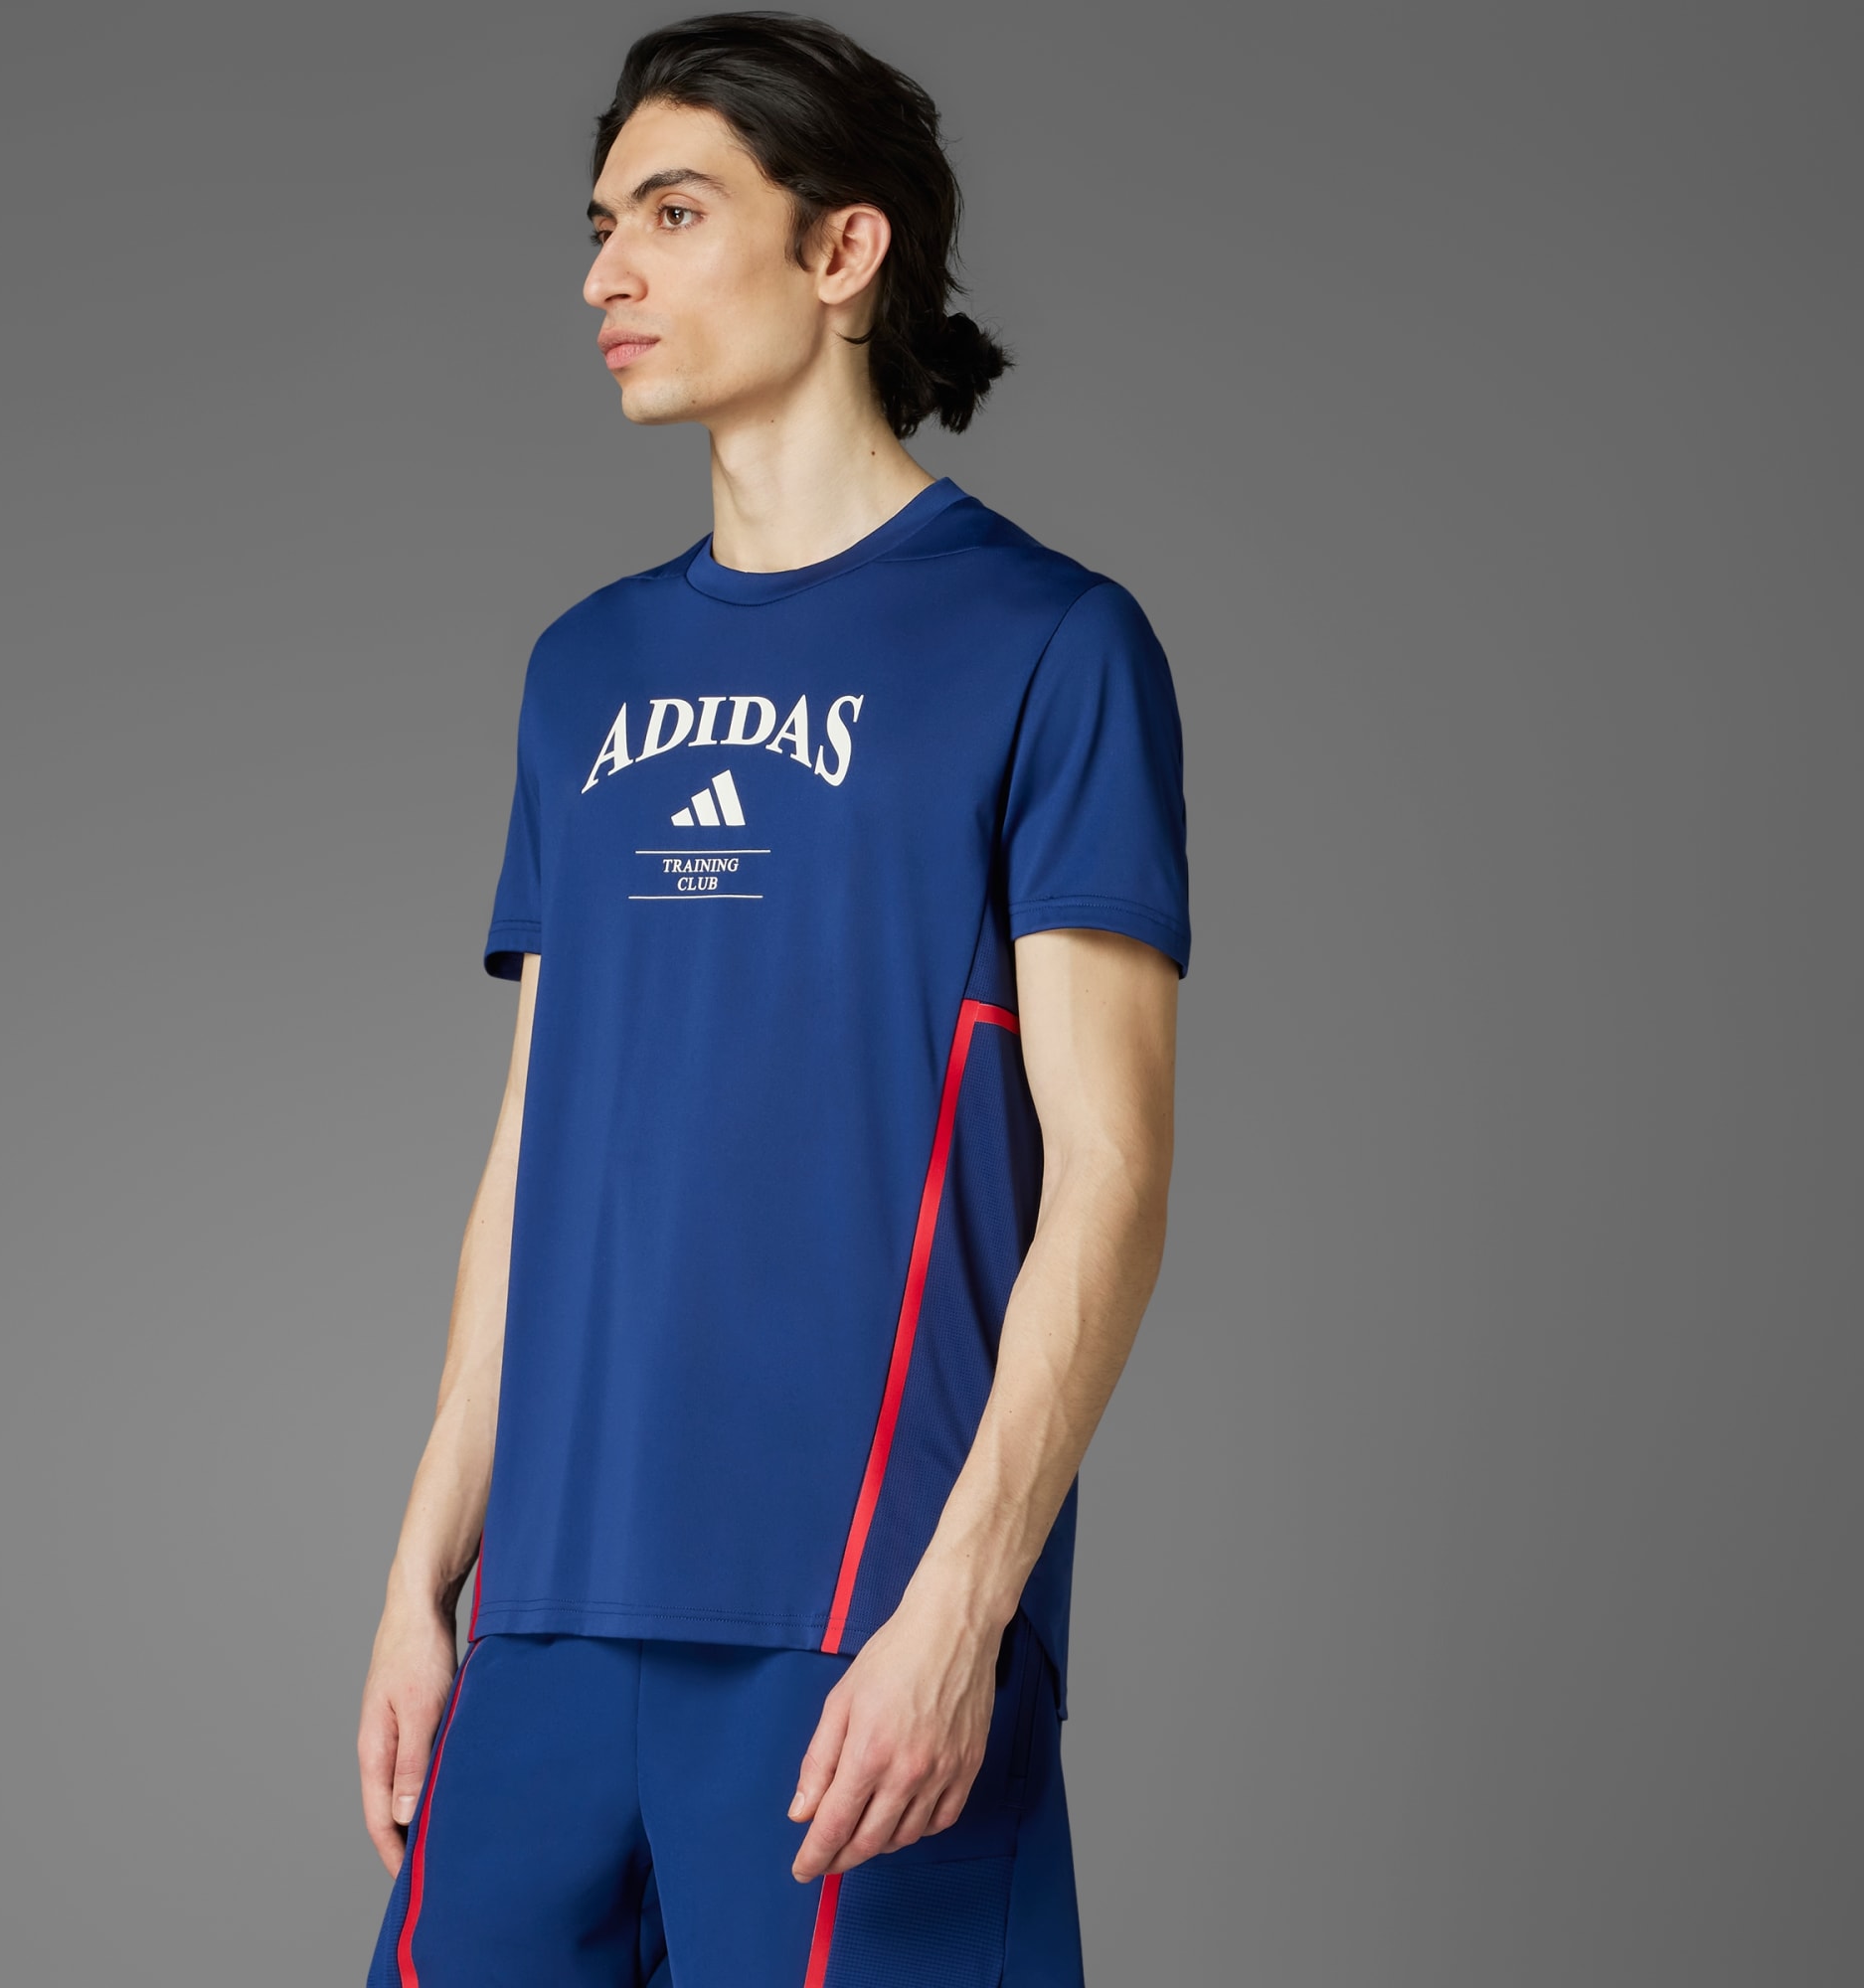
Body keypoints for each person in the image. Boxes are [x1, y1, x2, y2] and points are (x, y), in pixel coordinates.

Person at [357, 14, 1190, 1985]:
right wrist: (419, 1577)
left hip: (855, 1630)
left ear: (841, 250)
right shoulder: (582, 671)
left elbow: (1111, 1178)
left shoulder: (1049, 646)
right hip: (548, 1626)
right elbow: (532, 1159)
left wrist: (959, 1611)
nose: (605, 275)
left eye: (670, 214)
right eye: (598, 226)